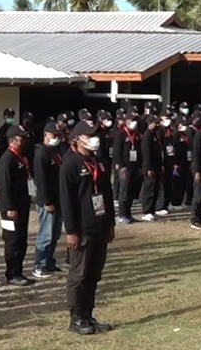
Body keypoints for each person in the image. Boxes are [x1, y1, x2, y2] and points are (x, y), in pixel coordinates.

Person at [59, 124, 115, 335]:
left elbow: (107, 193)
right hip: (82, 230)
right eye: (89, 136)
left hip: (100, 225)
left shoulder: (98, 161)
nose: (94, 139)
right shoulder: (70, 164)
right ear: (77, 138)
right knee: (79, 275)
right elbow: (67, 200)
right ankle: (76, 318)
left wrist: (111, 223)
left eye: (95, 135)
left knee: (93, 274)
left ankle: (88, 314)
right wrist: (71, 231)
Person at [0, 125, 33, 286]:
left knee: (22, 240)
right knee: (13, 241)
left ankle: (18, 271)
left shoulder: (20, 156)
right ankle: (11, 273)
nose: (24, 140)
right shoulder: (8, 158)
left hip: (22, 205)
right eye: (21, 138)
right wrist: (9, 207)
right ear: (12, 140)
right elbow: (4, 185)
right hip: (11, 209)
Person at [32, 121, 64, 279]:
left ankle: (49, 261)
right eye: (53, 136)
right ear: (46, 135)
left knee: (55, 233)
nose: (56, 138)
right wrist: (47, 202)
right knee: (46, 234)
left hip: (58, 199)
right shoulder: (42, 154)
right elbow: (41, 181)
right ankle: (39, 264)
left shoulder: (56, 151)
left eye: (58, 136)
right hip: (47, 201)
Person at [113, 111, 141, 224]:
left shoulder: (136, 134)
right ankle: (122, 214)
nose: (134, 123)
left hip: (134, 166)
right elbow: (116, 151)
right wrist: (120, 165)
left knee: (131, 191)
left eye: (135, 120)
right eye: (132, 120)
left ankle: (128, 213)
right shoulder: (121, 134)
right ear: (126, 121)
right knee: (124, 191)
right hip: (124, 167)